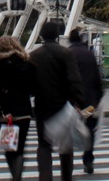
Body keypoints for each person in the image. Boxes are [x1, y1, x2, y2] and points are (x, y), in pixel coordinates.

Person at [29, 21, 85, 181]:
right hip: (63, 105)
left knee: (44, 145)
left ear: (42, 35)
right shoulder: (65, 53)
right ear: (57, 34)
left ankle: (45, 176)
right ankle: (66, 176)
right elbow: (74, 79)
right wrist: (78, 102)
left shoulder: (35, 55)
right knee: (66, 146)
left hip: (42, 105)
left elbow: (31, 83)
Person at [0, 35, 37, 181]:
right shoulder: (27, 63)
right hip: (23, 111)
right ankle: (17, 177)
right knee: (20, 149)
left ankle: (14, 175)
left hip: (3, 114)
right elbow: (33, 87)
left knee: (9, 148)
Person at [68, 28, 104, 174]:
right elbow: (97, 76)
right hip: (90, 101)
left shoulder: (68, 54)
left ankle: (67, 160)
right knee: (90, 127)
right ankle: (88, 158)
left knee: (69, 130)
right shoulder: (89, 54)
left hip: (74, 101)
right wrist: (98, 98)